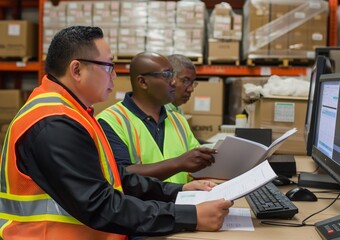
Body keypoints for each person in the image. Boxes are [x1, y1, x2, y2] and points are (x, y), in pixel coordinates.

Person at [0, 26, 233, 240]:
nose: (114, 76)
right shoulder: (54, 124)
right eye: (108, 66)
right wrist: (188, 216)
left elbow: (116, 178)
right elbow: (99, 204)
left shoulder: (72, 112)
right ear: (77, 69)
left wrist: (178, 191)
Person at [97, 52, 215, 184]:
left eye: (172, 74)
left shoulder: (178, 120)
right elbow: (121, 175)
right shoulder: (111, 121)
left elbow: (194, 166)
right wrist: (178, 163)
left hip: (182, 202)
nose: (174, 81)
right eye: (166, 75)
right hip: (142, 204)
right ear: (143, 82)